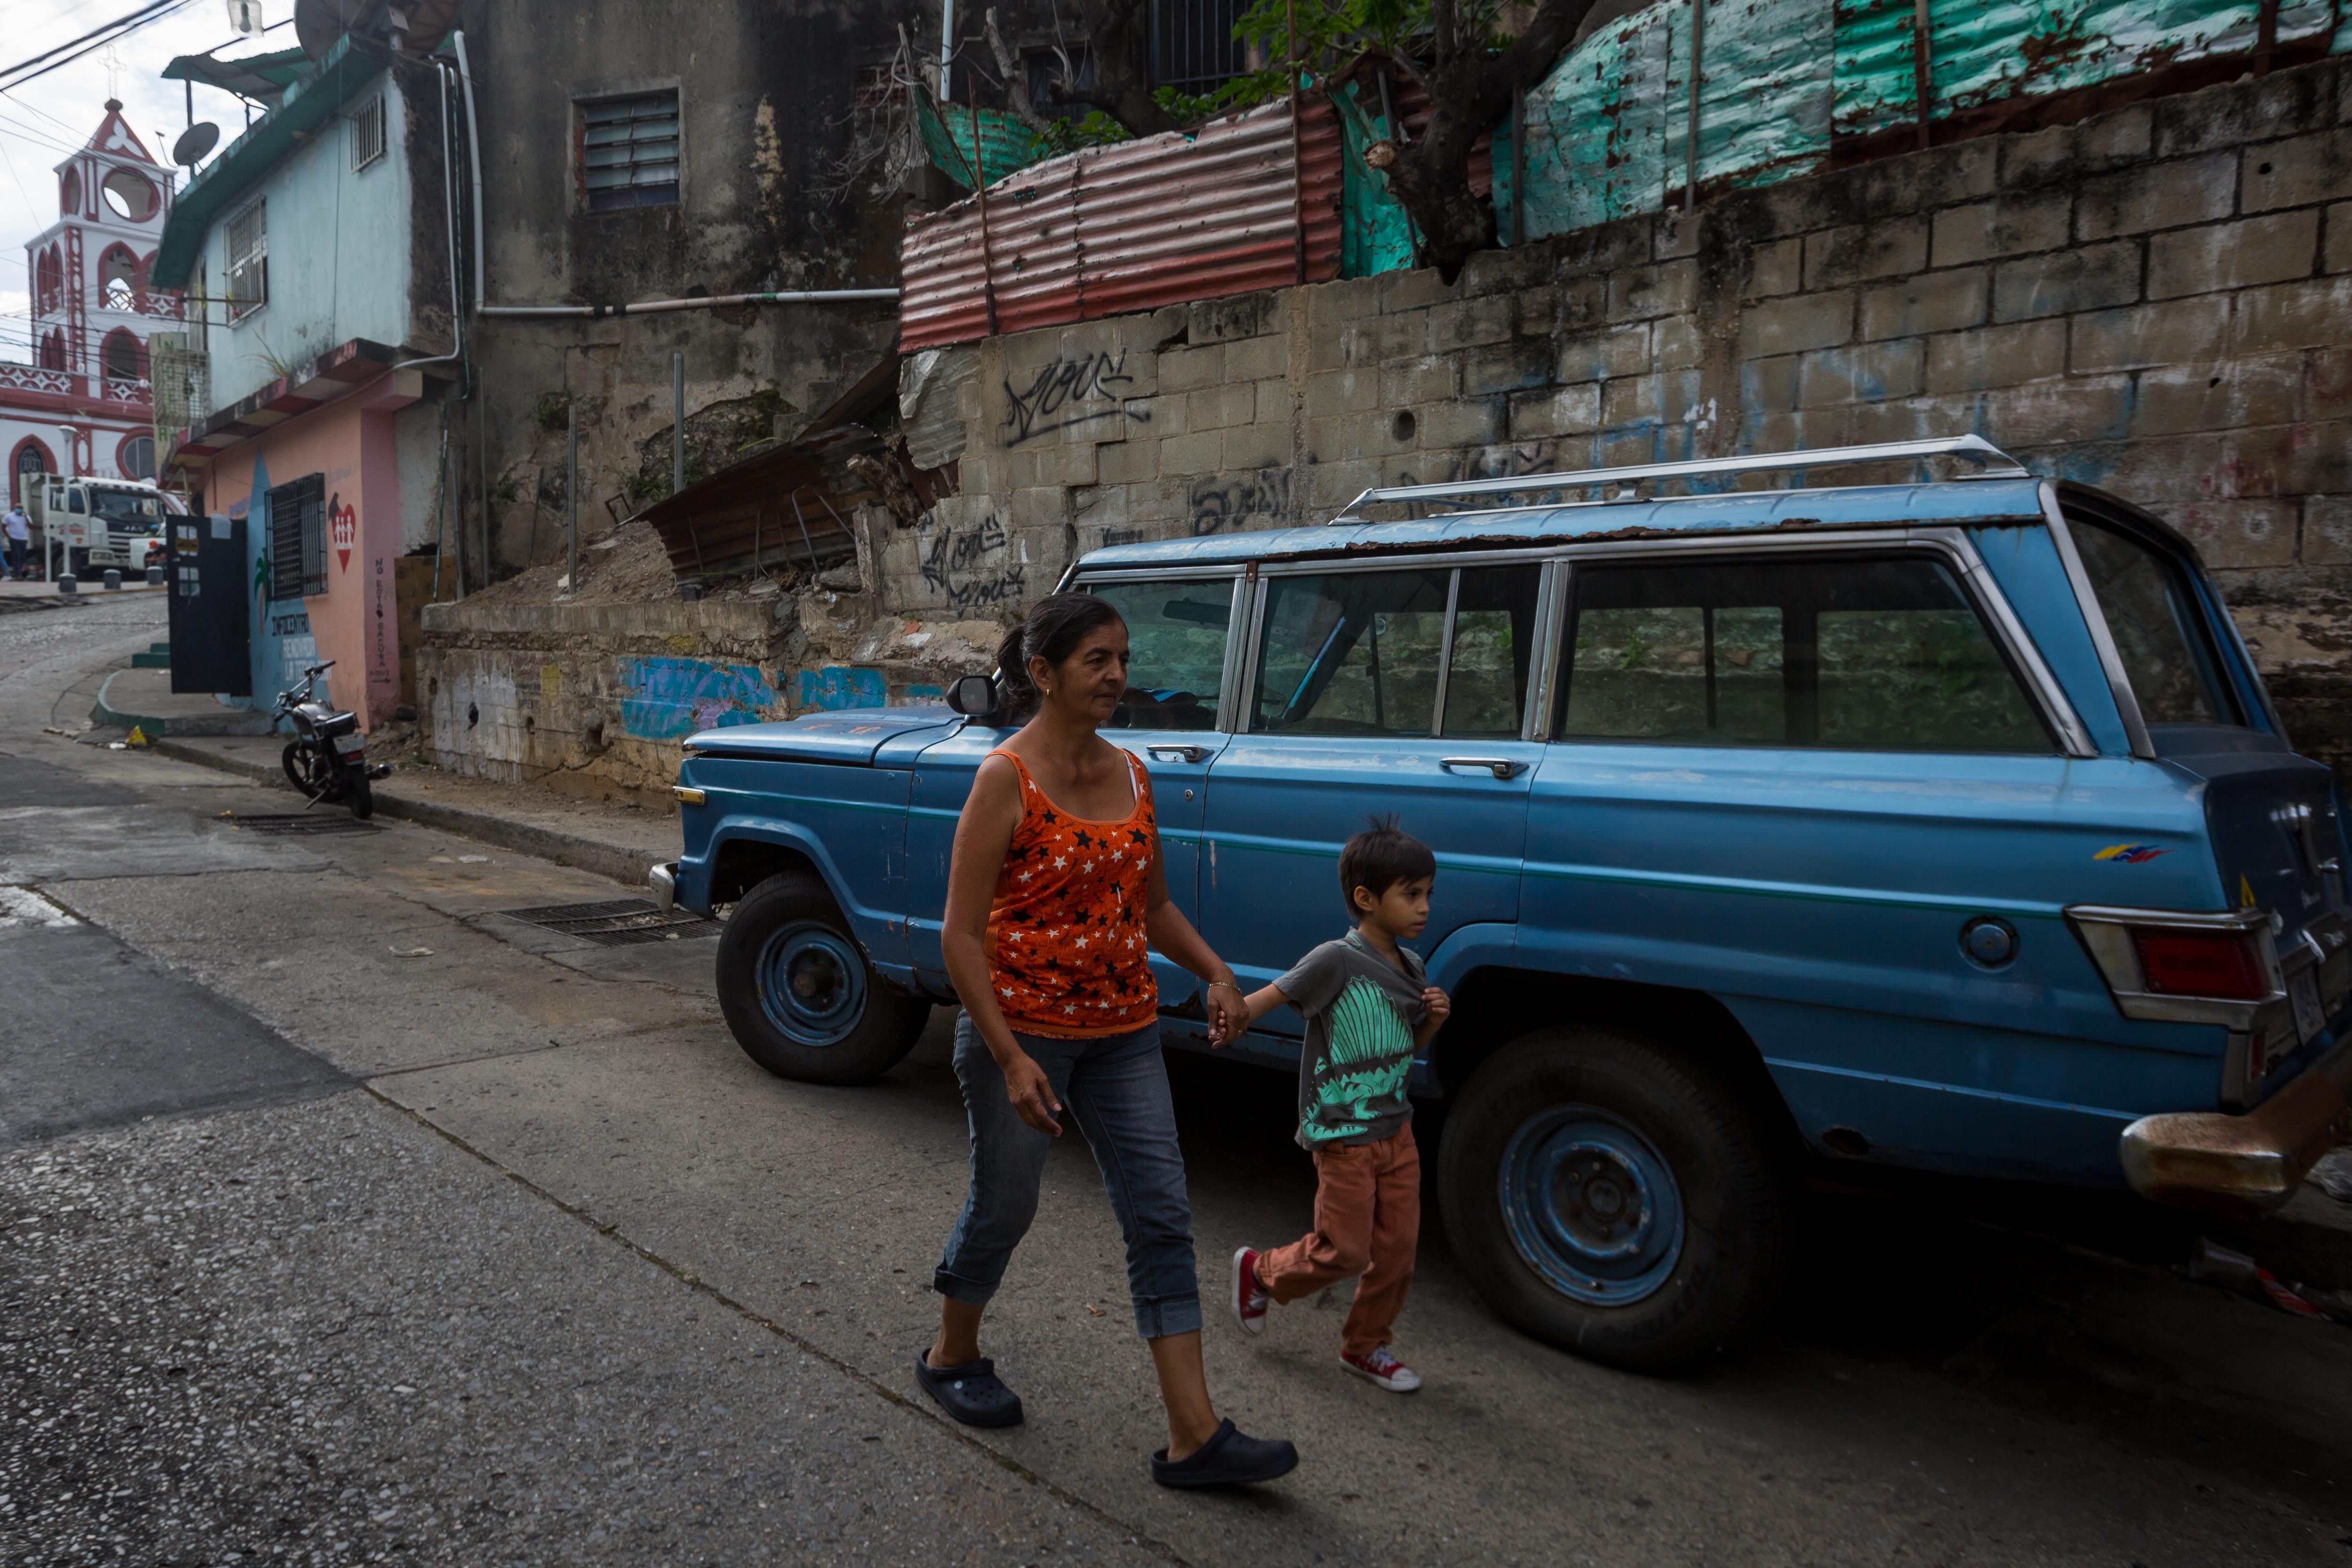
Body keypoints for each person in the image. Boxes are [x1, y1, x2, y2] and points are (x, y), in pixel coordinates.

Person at [921, 591, 1298, 1488]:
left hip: (1123, 1031)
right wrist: (1010, 1056)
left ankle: (1194, 1435)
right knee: (1005, 1207)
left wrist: (1215, 971)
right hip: (1024, 1036)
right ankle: (950, 1353)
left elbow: (1153, 904)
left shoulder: (1134, 772)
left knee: (1160, 1213)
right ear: (1043, 674)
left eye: (1123, 658)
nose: (1119, 676)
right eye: (1098, 660)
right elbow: (959, 935)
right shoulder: (1002, 779)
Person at [1216, 819, 1450, 1393]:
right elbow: (1277, 992)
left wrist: (1432, 1026)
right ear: (1365, 900)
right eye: (1411, 895)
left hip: (1396, 1130)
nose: (1424, 908)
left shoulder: (1412, 967)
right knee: (1344, 1250)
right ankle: (1262, 1272)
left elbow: (1400, 1047)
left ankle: (1365, 1347)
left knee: (1396, 1252)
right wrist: (1232, 1017)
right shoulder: (1335, 959)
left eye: (1428, 895)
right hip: (1343, 1131)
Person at [1, 500, 28, 581]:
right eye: (17, 508)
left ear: (23, 509)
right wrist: (8, 536)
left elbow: (31, 526)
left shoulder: (25, 517)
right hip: (14, 539)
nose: (19, 509)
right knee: (17, 556)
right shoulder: (9, 516)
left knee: (22, 557)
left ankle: (18, 573)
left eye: (20, 508)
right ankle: (18, 574)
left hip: (23, 540)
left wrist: (26, 517)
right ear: (14, 508)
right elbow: (3, 527)